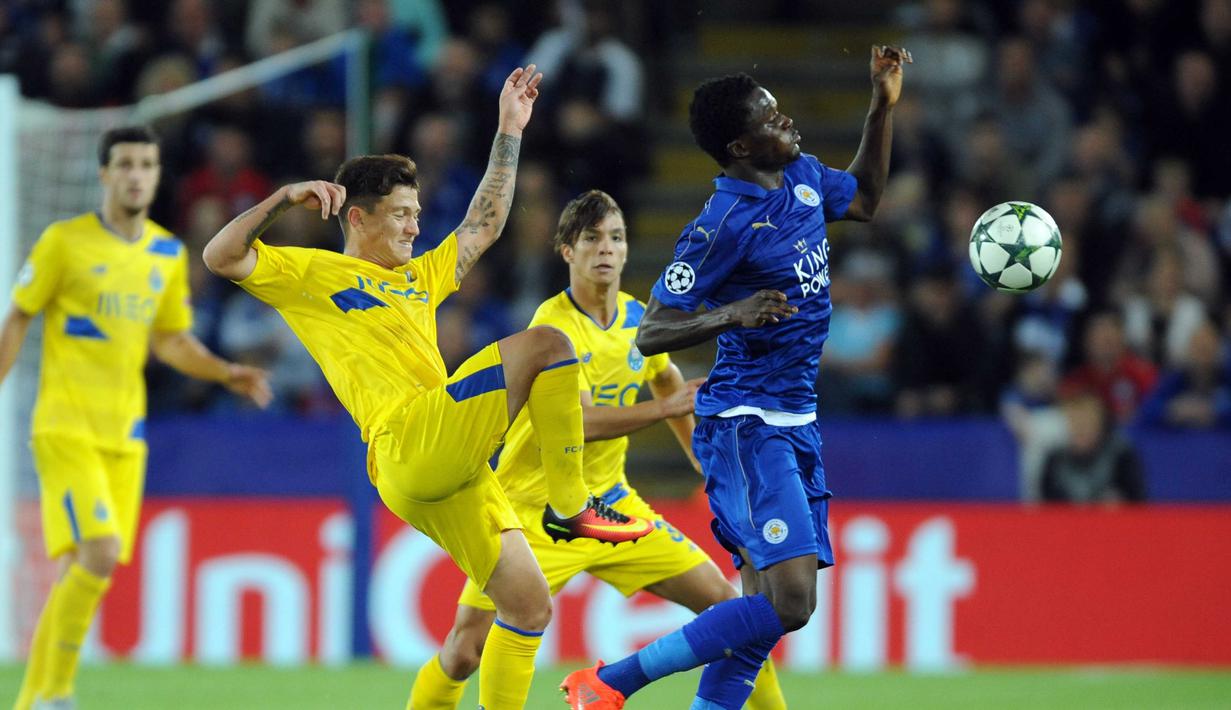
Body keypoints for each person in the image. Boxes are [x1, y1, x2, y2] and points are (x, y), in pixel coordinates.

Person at [201, 65, 652, 710]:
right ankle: (570, 502)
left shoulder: (419, 276)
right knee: (551, 344)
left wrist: (509, 128)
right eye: (402, 215)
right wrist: (283, 198)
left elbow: (484, 224)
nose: (416, 227)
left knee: (528, 605)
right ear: (358, 217)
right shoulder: (311, 275)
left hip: (448, 462)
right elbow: (219, 256)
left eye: (416, 214)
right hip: (407, 438)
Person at [562, 45, 911, 710]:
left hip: (795, 417)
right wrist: (732, 313)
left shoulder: (802, 177)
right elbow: (652, 331)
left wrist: (880, 106)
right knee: (792, 602)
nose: (788, 123)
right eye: (771, 120)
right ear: (741, 147)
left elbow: (865, 199)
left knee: (759, 614)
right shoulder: (718, 227)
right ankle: (610, 681)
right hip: (747, 425)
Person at [409, 190, 788, 710]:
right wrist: (666, 407)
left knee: (731, 608)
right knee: (464, 652)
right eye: (591, 238)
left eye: (616, 237)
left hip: (612, 507)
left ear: (627, 249)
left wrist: (705, 466)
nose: (606, 248)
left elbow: (667, 380)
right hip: (534, 514)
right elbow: (580, 423)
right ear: (568, 250)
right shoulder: (553, 328)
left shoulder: (636, 318)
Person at [2, 126, 273, 710]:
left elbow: (171, 340)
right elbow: (19, 316)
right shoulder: (63, 242)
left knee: (80, 570)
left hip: (126, 435)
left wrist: (225, 372)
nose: (136, 175)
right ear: (105, 174)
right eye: (125, 164)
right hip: (66, 427)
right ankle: (57, 694)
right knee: (98, 554)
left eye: (146, 165)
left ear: (156, 175)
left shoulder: (165, 254)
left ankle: (29, 702)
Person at [1040, 391, 1147, 503]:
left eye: (1087, 422)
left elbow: (1138, 500)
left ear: (1100, 423)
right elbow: (1046, 504)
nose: (1081, 429)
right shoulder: (1055, 459)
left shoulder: (1121, 455)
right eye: (1075, 422)